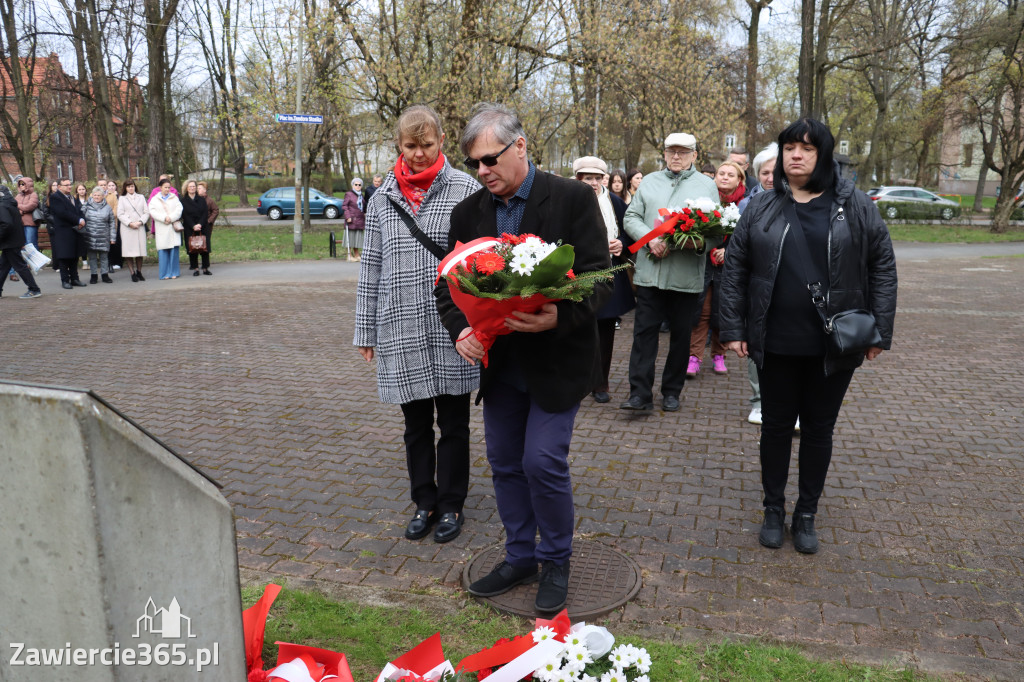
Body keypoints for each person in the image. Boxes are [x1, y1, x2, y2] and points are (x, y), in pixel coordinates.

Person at [435, 103, 610, 613]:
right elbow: (448, 288)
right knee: (506, 463)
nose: (484, 171)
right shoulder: (467, 215)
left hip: (559, 361)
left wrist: (559, 315)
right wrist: (462, 328)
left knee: (542, 461)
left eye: (491, 159)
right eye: (474, 164)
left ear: (521, 147)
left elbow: (600, 278)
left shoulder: (574, 199)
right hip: (502, 362)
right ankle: (519, 557)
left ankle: (555, 559)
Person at [718, 118, 897, 554]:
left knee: (819, 430)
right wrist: (734, 327)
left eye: (807, 148)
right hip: (775, 340)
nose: (796, 154)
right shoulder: (761, 205)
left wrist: (879, 330)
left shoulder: (855, 205)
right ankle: (774, 510)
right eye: (789, 147)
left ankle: (807, 513)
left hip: (833, 345)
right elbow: (736, 269)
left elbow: (883, 266)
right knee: (776, 428)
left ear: (824, 154)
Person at [354, 105, 481, 546]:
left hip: (453, 328)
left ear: (442, 141)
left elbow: (480, 261)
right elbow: (371, 265)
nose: (420, 154)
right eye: (411, 146)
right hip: (400, 323)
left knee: (454, 423)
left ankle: (451, 505)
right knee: (414, 425)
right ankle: (423, 502)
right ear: (399, 146)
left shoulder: (465, 188)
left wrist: (481, 323)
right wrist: (365, 329)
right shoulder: (383, 198)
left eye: (427, 144)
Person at [619, 132, 719, 412]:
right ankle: (639, 393)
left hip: (685, 276)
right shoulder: (649, 181)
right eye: (671, 151)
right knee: (643, 335)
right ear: (663, 154)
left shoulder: (706, 186)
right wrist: (649, 238)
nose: (677, 156)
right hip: (650, 273)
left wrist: (695, 242)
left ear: (695, 156)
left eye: (683, 152)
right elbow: (631, 217)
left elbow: (716, 232)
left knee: (680, 337)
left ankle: (672, 391)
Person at [572, 156, 635, 403]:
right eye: (588, 178)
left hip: (609, 275)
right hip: (577, 275)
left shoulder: (615, 202)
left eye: (598, 178)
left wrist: (622, 244)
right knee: (577, 330)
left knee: (606, 331)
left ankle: (601, 382)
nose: (594, 183)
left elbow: (631, 230)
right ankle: (578, 381)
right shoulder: (566, 201)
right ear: (578, 179)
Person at [687, 160, 746, 379]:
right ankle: (694, 357)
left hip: (731, 269)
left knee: (723, 311)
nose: (724, 177)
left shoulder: (745, 204)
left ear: (739, 180)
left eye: (731, 174)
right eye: (721, 173)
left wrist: (729, 252)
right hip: (704, 264)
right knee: (701, 311)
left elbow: (749, 237)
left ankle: (719, 354)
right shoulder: (704, 200)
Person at [739, 142, 779, 423]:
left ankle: (789, 404)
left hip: (785, 286)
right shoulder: (746, 205)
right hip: (755, 284)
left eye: (775, 172)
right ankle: (759, 401)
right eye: (764, 172)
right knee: (756, 344)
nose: (770, 177)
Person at [0, 184, 42, 299]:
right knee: (3, 266)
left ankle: (34, 289)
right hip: (14, 241)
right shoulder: (11, 204)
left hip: (10, 242)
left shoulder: (2, 206)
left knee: (20, 266)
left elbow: (6, 224)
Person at [48, 178, 88, 288]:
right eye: (66, 185)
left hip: (74, 231)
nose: (69, 186)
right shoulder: (55, 197)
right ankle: (65, 280)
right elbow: (62, 213)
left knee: (74, 256)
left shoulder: (72, 197)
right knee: (64, 257)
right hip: (63, 231)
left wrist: (82, 219)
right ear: (59, 187)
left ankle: (75, 278)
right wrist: (78, 220)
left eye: (70, 184)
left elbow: (78, 211)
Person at [148, 178, 183, 280]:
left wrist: (171, 218)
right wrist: (164, 218)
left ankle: (174, 272)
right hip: (162, 227)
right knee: (163, 251)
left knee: (173, 251)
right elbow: (152, 211)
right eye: (165, 187)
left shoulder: (174, 198)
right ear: (160, 188)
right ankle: (164, 273)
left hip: (172, 227)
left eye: (169, 187)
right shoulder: (154, 199)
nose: (167, 189)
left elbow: (179, 209)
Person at [82, 185, 117, 283]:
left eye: (98, 195)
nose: (96, 197)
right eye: (95, 195)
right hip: (90, 236)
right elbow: (80, 217)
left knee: (104, 257)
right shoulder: (87, 206)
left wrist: (112, 238)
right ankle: (93, 275)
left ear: (103, 196)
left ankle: (105, 275)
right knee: (92, 257)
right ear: (92, 195)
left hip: (104, 236)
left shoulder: (108, 208)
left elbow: (112, 223)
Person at [117, 179, 150, 281]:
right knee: (129, 251)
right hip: (127, 228)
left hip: (139, 226)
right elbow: (120, 214)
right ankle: (132, 273)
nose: (131, 188)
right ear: (125, 188)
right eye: (128, 187)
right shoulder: (122, 199)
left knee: (140, 251)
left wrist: (140, 222)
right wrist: (130, 223)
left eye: (132, 186)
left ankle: (139, 272)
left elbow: (146, 212)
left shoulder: (141, 197)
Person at [180, 179, 211, 276]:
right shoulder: (183, 201)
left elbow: (205, 213)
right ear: (187, 188)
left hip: (202, 227)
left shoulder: (201, 199)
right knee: (192, 248)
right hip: (190, 227)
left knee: (204, 248)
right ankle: (195, 268)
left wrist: (200, 224)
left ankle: (205, 268)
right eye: (190, 186)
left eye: (194, 186)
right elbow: (185, 215)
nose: (192, 188)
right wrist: (193, 225)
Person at [342, 177, 366, 262]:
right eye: (356, 184)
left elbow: (363, 207)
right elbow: (345, 206)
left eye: (359, 185)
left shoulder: (361, 195)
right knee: (350, 237)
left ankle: (356, 254)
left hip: (359, 219)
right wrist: (348, 216)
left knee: (357, 238)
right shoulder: (349, 194)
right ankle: (349, 255)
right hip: (351, 219)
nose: (358, 186)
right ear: (353, 185)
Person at [15, 176, 40, 251]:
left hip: (30, 224)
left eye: (23, 184)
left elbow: (30, 206)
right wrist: (22, 210)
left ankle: (35, 262)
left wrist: (20, 208)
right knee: (22, 245)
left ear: (28, 185)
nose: (21, 186)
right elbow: (13, 207)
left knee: (31, 244)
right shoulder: (18, 196)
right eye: (20, 184)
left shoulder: (33, 194)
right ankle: (25, 262)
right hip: (20, 224)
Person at [105, 180, 122, 271]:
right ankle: (111, 262)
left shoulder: (119, 196)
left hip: (118, 221)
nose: (111, 187)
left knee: (118, 242)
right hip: (108, 221)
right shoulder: (105, 196)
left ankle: (118, 261)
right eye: (109, 185)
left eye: (113, 185)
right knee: (111, 243)